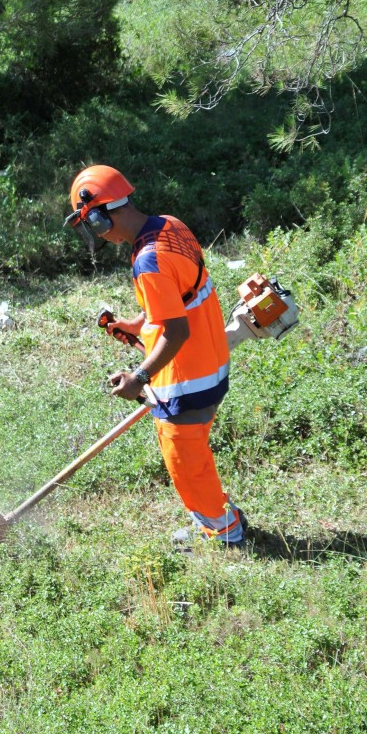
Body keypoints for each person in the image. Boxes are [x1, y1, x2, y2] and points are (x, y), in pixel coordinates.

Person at [65, 164, 247, 548]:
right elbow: (178, 299)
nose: (97, 233)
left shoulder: (147, 260)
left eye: (91, 225)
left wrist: (139, 378)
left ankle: (225, 532)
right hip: (211, 361)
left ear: (99, 218)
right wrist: (137, 325)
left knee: (186, 465)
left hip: (186, 380)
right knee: (195, 456)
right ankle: (217, 516)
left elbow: (176, 332)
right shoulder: (169, 225)